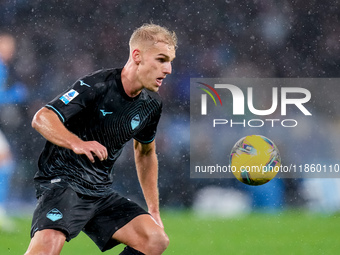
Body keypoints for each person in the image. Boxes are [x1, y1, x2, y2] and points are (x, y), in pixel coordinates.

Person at [25, 23, 177, 255]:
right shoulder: (97, 85)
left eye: (170, 61)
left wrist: (154, 209)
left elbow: (145, 153)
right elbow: (42, 117)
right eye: (161, 59)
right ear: (137, 56)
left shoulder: (151, 104)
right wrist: (77, 143)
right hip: (63, 183)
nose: (168, 69)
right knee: (45, 251)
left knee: (155, 240)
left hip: (99, 191)